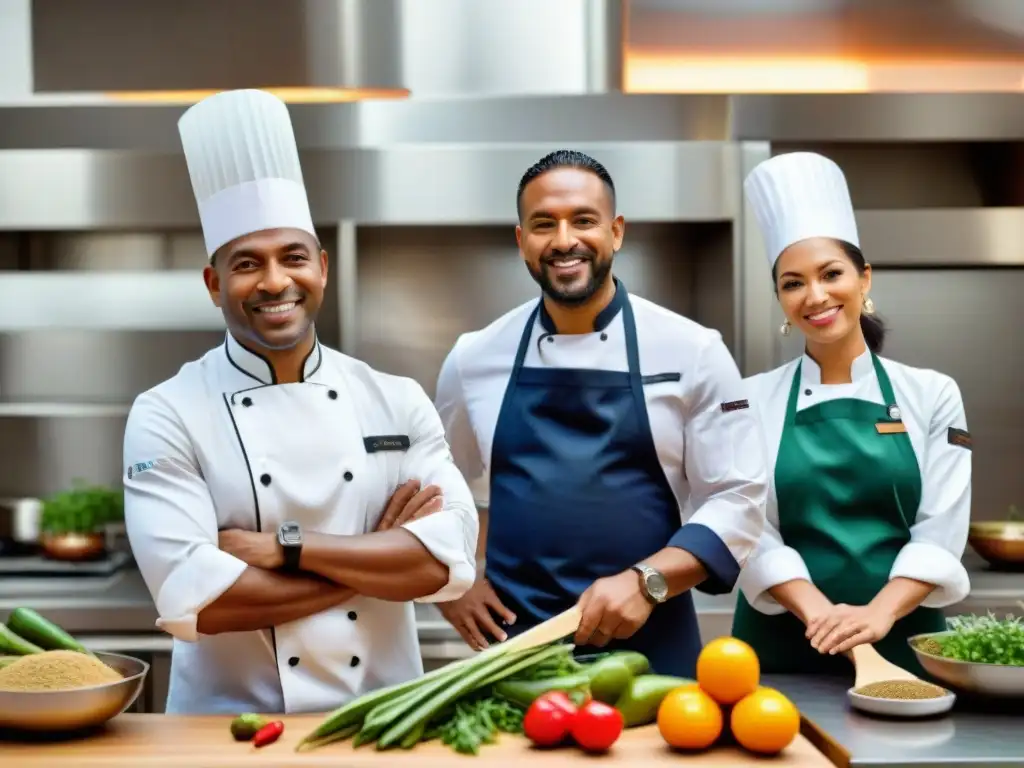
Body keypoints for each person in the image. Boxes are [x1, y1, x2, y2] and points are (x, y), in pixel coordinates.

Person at [122, 89, 479, 714]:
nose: (275, 282)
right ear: (214, 284)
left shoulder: (396, 399)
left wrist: (287, 548)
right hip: (227, 732)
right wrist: (372, 557)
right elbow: (198, 600)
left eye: (293, 257)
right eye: (246, 264)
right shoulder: (167, 412)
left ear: (321, 265)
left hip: (380, 724)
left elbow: (444, 565)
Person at [432, 149, 768, 678]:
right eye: (544, 224)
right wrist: (449, 586)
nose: (565, 240)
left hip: (652, 644)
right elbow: (438, 486)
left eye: (583, 220)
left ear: (616, 232)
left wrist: (646, 581)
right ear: (522, 241)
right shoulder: (474, 358)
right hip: (517, 652)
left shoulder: (692, 350)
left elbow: (738, 497)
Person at [731, 151, 972, 676]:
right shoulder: (749, 399)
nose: (814, 295)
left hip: (902, 642)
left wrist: (877, 615)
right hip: (780, 648)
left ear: (864, 279)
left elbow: (941, 530)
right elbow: (749, 528)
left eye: (830, 273)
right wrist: (821, 616)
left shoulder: (933, 394)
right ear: (780, 299)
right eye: (793, 283)